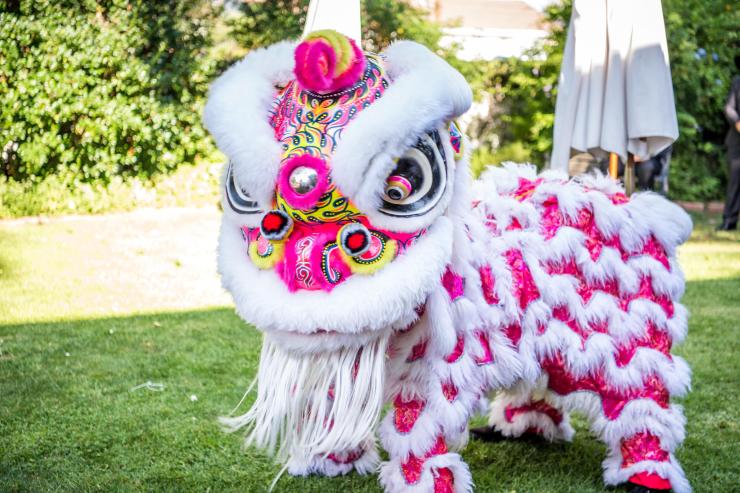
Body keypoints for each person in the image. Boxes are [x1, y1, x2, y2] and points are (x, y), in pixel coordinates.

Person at [719, 59, 740, 231]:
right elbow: (729, 108)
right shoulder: (737, 82)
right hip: (737, 142)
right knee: (734, 182)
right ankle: (729, 221)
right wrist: (737, 122)